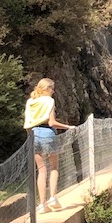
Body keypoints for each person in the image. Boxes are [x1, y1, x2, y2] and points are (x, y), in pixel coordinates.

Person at [24, 78, 74, 213]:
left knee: (41, 169)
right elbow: (51, 122)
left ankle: (42, 204)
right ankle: (52, 197)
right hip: (48, 134)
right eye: (52, 89)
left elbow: (28, 123)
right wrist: (68, 126)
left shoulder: (30, 102)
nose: (53, 91)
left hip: (33, 134)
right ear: (47, 89)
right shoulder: (49, 101)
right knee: (54, 167)